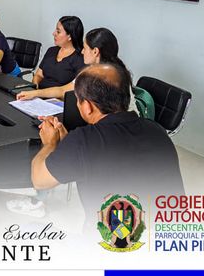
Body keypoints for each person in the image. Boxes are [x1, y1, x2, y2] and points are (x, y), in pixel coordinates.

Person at [31, 63, 184, 219]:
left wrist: (50, 144)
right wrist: (67, 142)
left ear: (87, 107)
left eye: (78, 100)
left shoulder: (84, 141)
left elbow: (39, 180)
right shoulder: (157, 130)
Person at [17, 27, 154, 119]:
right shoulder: (110, 69)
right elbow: (63, 90)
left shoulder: (107, 76)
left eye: (85, 48)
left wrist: (35, 93)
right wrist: (34, 93)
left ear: (95, 51)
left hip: (121, 129)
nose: (82, 52)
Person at [31, 16, 85, 91]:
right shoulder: (51, 50)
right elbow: (39, 75)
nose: (53, 33)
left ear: (70, 36)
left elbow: (70, 90)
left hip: (58, 97)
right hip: (38, 94)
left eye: (58, 32)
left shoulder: (80, 58)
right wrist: (35, 87)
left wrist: (38, 93)